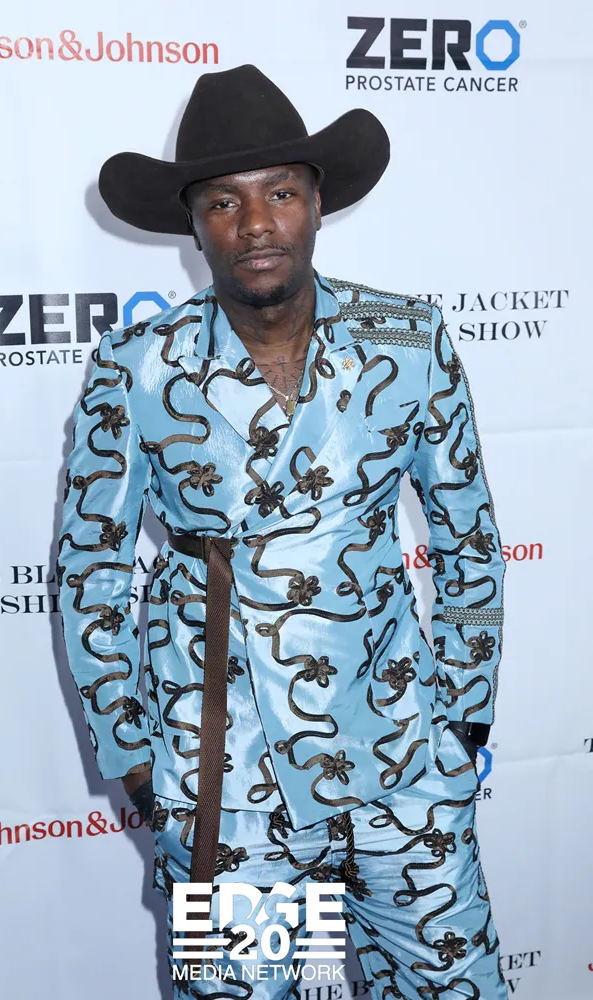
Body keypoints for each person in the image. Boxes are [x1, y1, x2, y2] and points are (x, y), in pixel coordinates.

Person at [57, 63, 507, 999]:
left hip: (403, 763)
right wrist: (136, 760)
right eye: (224, 202)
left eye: (281, 194)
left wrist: (462, 719)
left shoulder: (408, 340)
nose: (256, 224)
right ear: (192, 224)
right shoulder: (137, 367)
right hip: (225, 785)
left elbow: (468, 541)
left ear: (317, 204)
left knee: (453, 988)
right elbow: (91, 567)